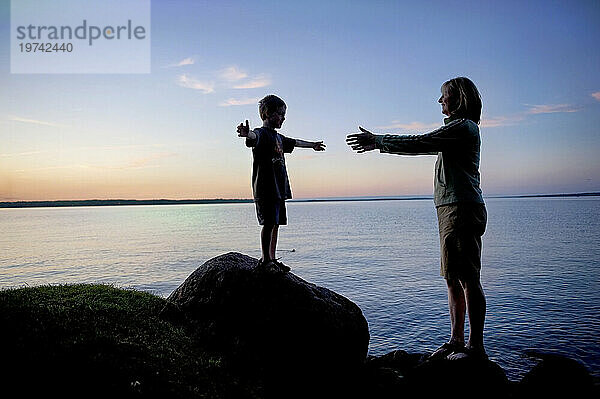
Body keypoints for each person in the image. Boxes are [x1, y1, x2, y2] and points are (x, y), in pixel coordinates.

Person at [346, 77, 488, 360]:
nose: (440, 101)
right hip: (450, 207)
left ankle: (475, 347)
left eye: (443, 95)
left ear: (459, 98)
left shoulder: (464, 128)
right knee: (452, 277)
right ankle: (457, 340)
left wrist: (378, 141)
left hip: (461, 207)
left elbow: (420, 142)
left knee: (468, 278)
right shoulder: (457, 130)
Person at [238, 94, 326, 273]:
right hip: (265, 188)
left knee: (276, 223)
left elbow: (296, 142)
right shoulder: (262, 133)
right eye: (280, 114)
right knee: (268, 223)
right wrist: (247, 134)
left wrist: (313, 145)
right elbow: (253, 138)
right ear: (267, 114)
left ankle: (272, 257)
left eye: (284, 115)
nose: (283, 118)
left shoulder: (279, 138)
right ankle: (265, 260)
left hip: (279, 188)